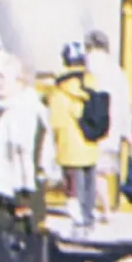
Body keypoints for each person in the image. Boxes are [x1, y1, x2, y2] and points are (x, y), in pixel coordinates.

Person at [0, 59, 57, 262]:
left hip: (15, 195)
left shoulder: (24, 111)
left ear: (20, 82)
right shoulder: (8, 108)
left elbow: (28, 156)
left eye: (3, 77)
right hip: (3, 191)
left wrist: (24, 200)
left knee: (14, 254)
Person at [45, 45, 100, 234]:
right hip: (90, 139)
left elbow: (56, 121)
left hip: (70, 143)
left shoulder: (59, 89)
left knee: (75, 184)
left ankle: (79, 220)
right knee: (90, 180)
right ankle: (89, 216)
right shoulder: (92, 82)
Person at [84, 31, 132, 224]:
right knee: (103, 170)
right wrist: (126, 131)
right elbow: (125, 100)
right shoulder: (116, 70)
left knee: (93, 169)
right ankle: (106, 206)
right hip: (113, 126)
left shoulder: (90, 66)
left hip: (94, 123)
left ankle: (102, 207)